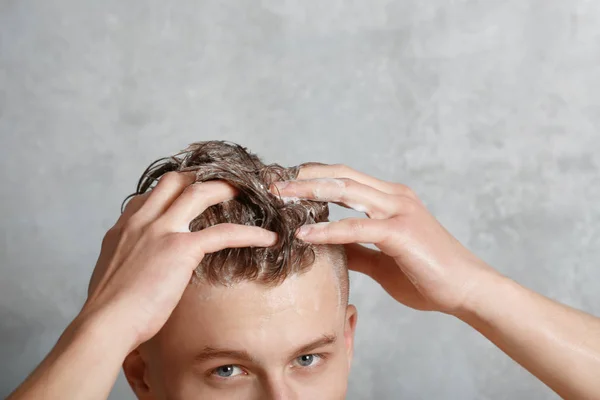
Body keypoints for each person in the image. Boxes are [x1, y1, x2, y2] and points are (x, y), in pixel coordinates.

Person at [7, 141, 600, 400]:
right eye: (228, 370)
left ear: (348, 338)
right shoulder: (111, 347)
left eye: (309, 359)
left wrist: (476, 290)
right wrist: (101, 329)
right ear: (139, 375)